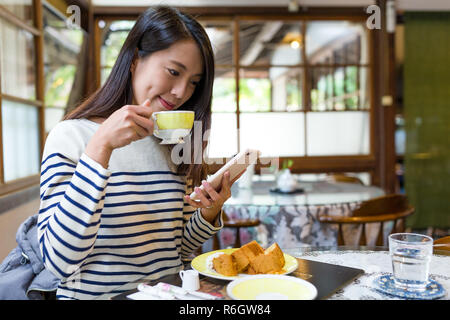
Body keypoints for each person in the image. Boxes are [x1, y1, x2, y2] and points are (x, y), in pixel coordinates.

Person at [38, 6, 239, 300]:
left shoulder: (174, 143)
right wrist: (100, 148)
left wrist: (208, 212)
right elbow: (59, 261)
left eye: (194, 82)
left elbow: (177, 250)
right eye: (173, 72)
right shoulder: (71, 136)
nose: (181, 92)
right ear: (134, 59)